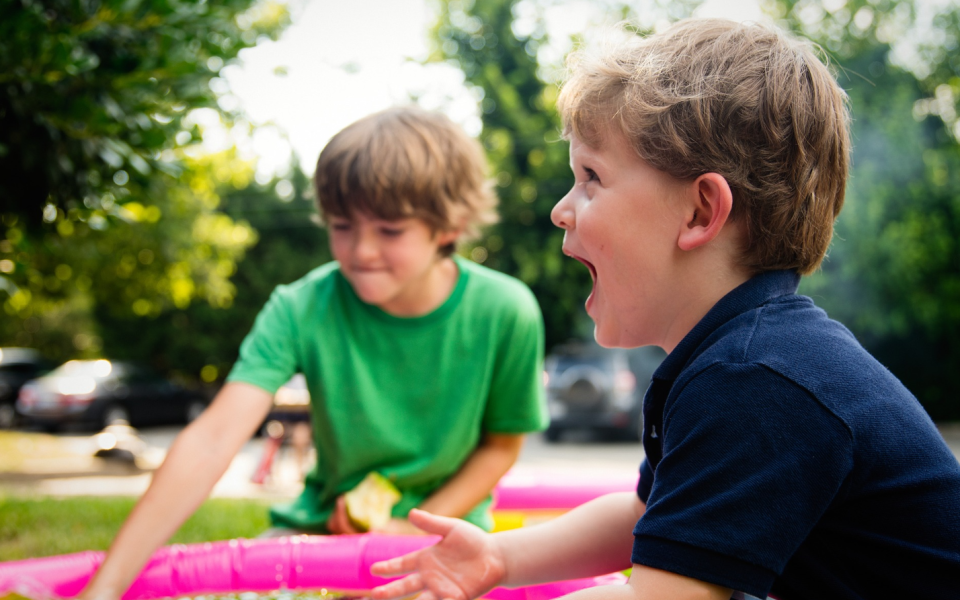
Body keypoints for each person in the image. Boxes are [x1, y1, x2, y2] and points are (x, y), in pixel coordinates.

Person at [368, 19, 960, 600]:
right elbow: (645, 516)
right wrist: (500, 558)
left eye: (591, 177)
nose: (560, 209)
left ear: (701, 213)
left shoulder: (756, 381)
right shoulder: (742, 358)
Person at [78, 106, 548, 600]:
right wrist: (105, 589)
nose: (361, 251)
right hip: (322, 528)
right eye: (342, 226)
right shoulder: (300, 306)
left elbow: (501, 445)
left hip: (448, 532)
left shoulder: (506, 310)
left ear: (449, 226)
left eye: (389, 230)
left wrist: (411, 526)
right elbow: (214, 439)